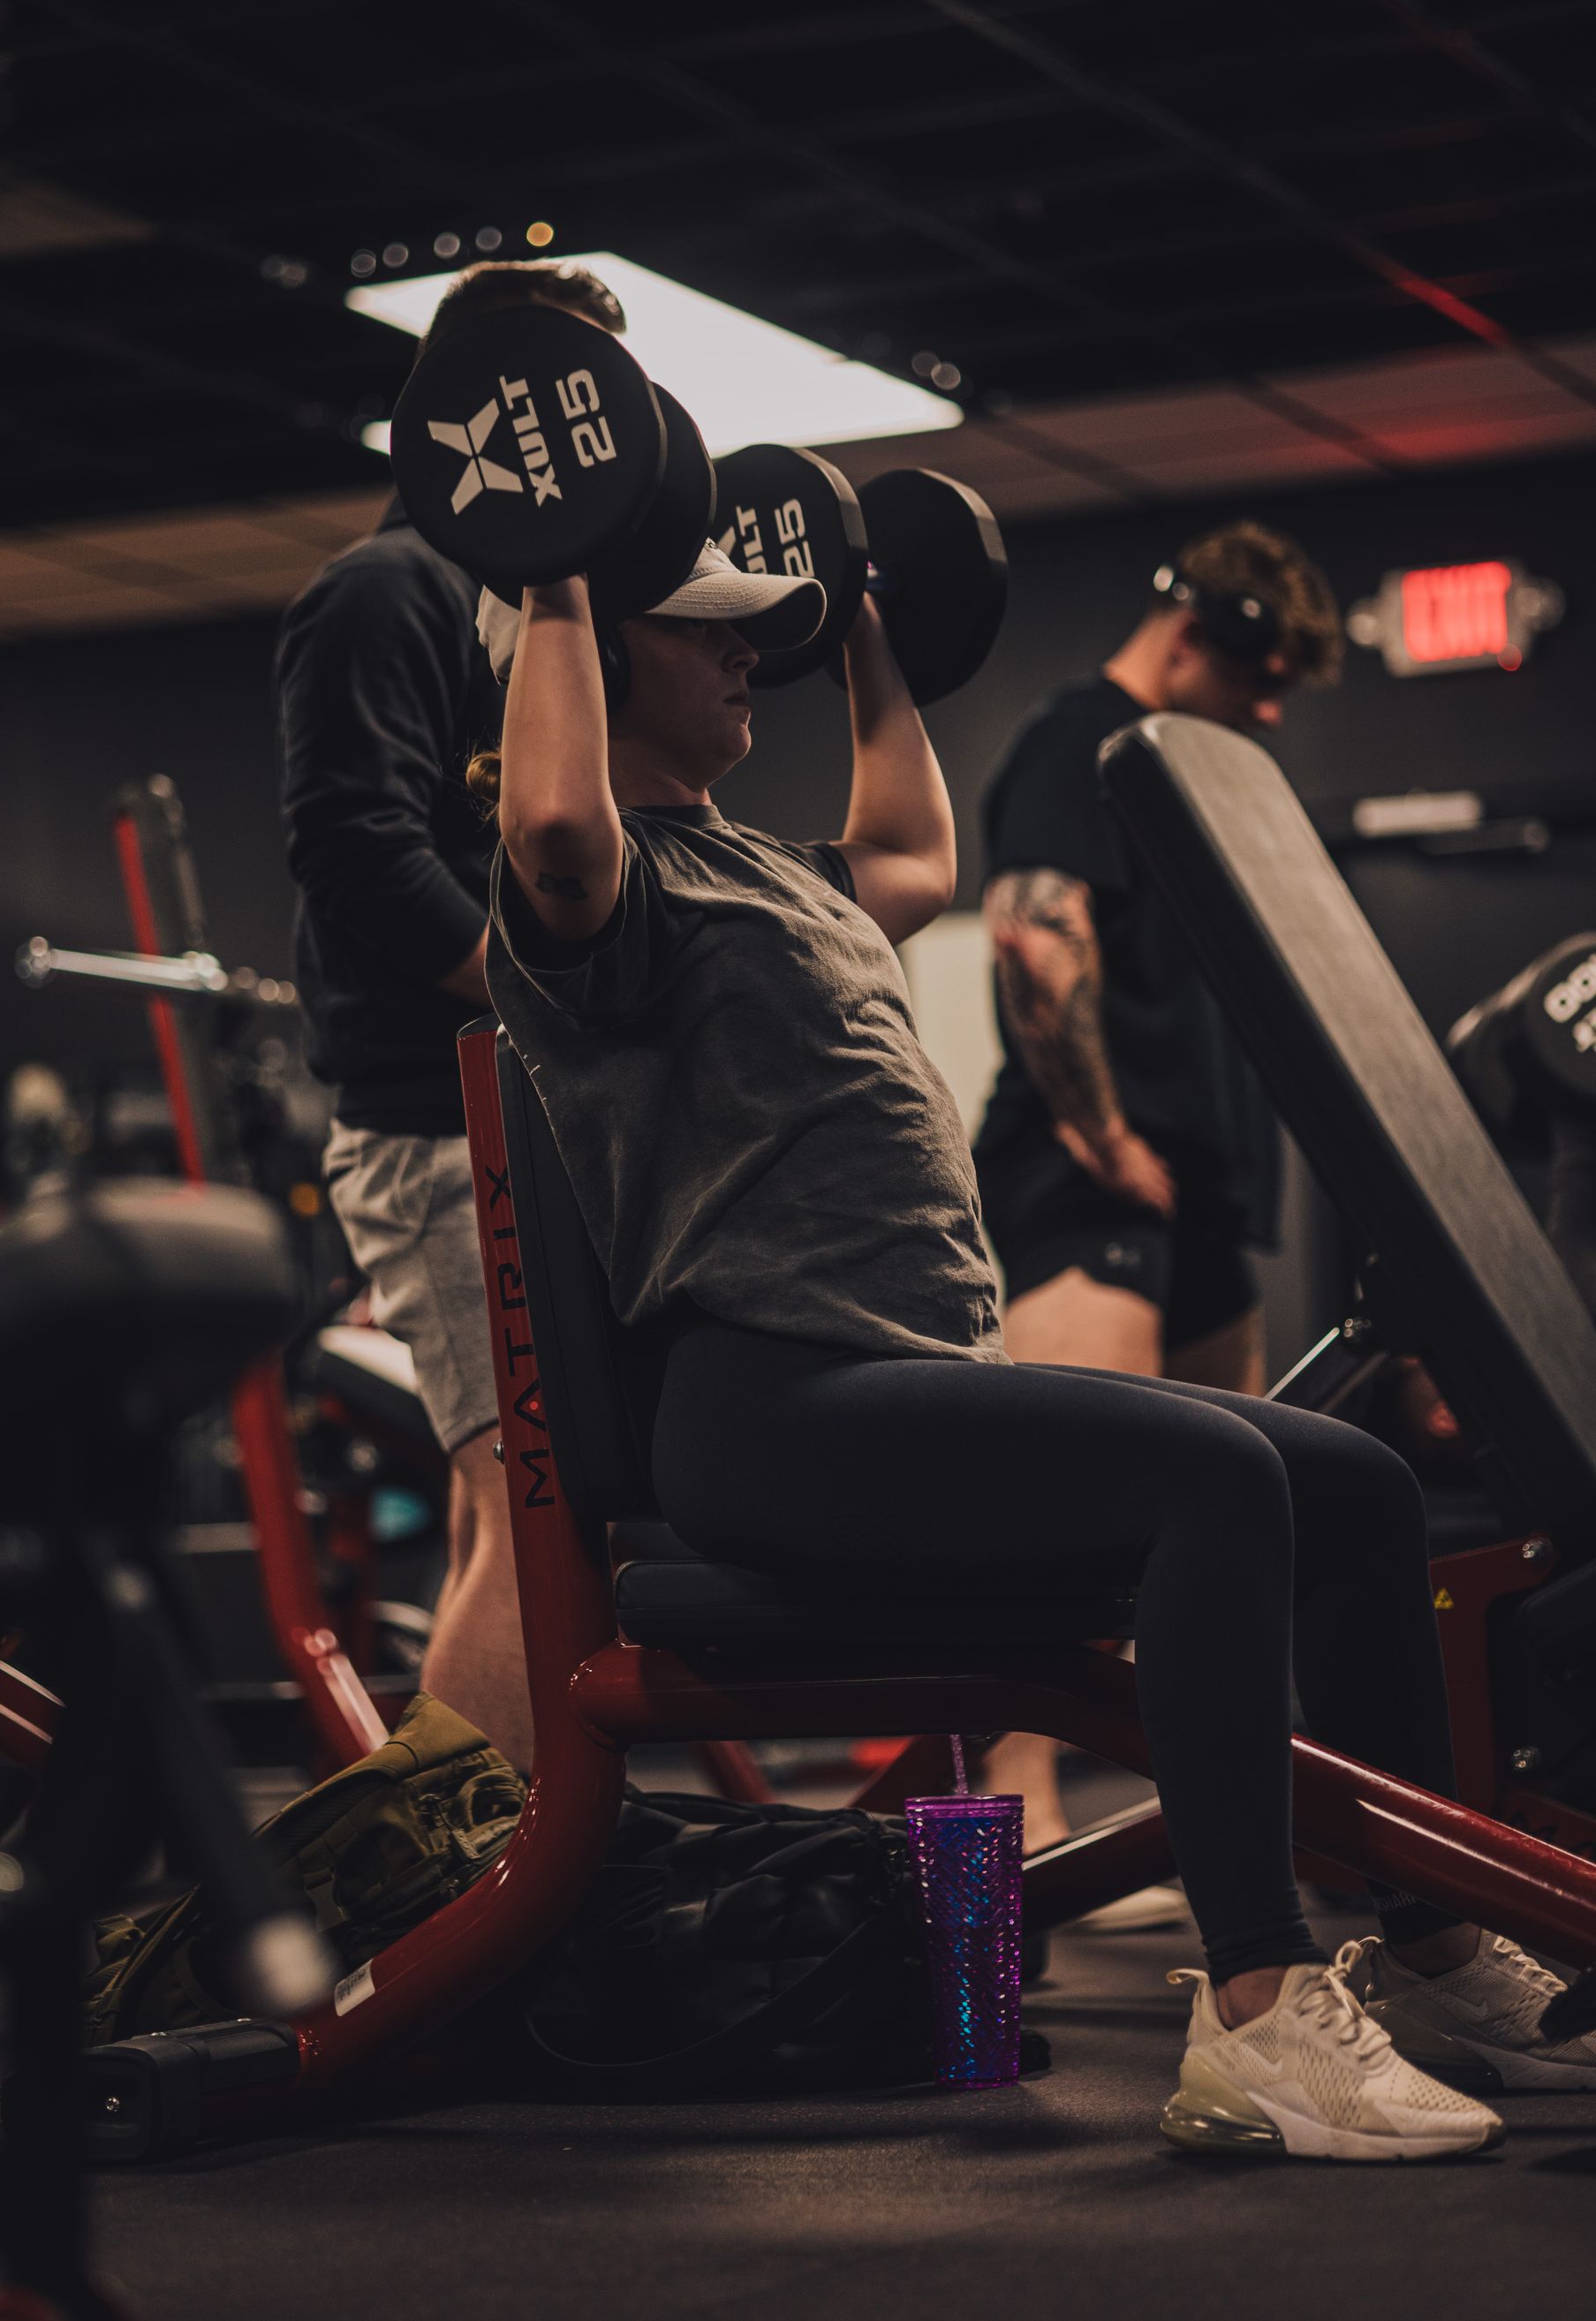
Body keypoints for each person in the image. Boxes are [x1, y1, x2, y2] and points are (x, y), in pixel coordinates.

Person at [474, 540, 1595, 2158]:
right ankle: (1259, 2013)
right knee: (1210, 1479)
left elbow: (919, 852)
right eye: (707, 635)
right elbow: (555, 819)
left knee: (1347, 1481)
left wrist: (869, 625)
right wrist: (562, 569)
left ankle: (1422, 1952)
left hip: (903, 1385)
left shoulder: (770, 869)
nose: (744, 660)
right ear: (596, 660)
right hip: (773, 1407)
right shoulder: (598, 903)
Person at [275, 255, 626, 1773]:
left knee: (553, 1512)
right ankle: (445, 1912)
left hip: (530, 1118)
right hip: (433, 1125)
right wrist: (536, 993)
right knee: (519, 1508)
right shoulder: (386, 592)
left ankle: (491, 1888)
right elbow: (355, 846)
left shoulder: (536, 611)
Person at [971, 523, 1342, 1871]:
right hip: (1088, 1183)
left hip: (1202, 1202)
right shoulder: (1083, 736)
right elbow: (1033, 931)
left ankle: (1202, 1828)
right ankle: (1019, 1821)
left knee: (1228, 1527)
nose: (1272, 707)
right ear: (1189, 639)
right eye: (1257, 679)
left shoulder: (1189, 766)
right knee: (1058, 1533)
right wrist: (1106, 1137)